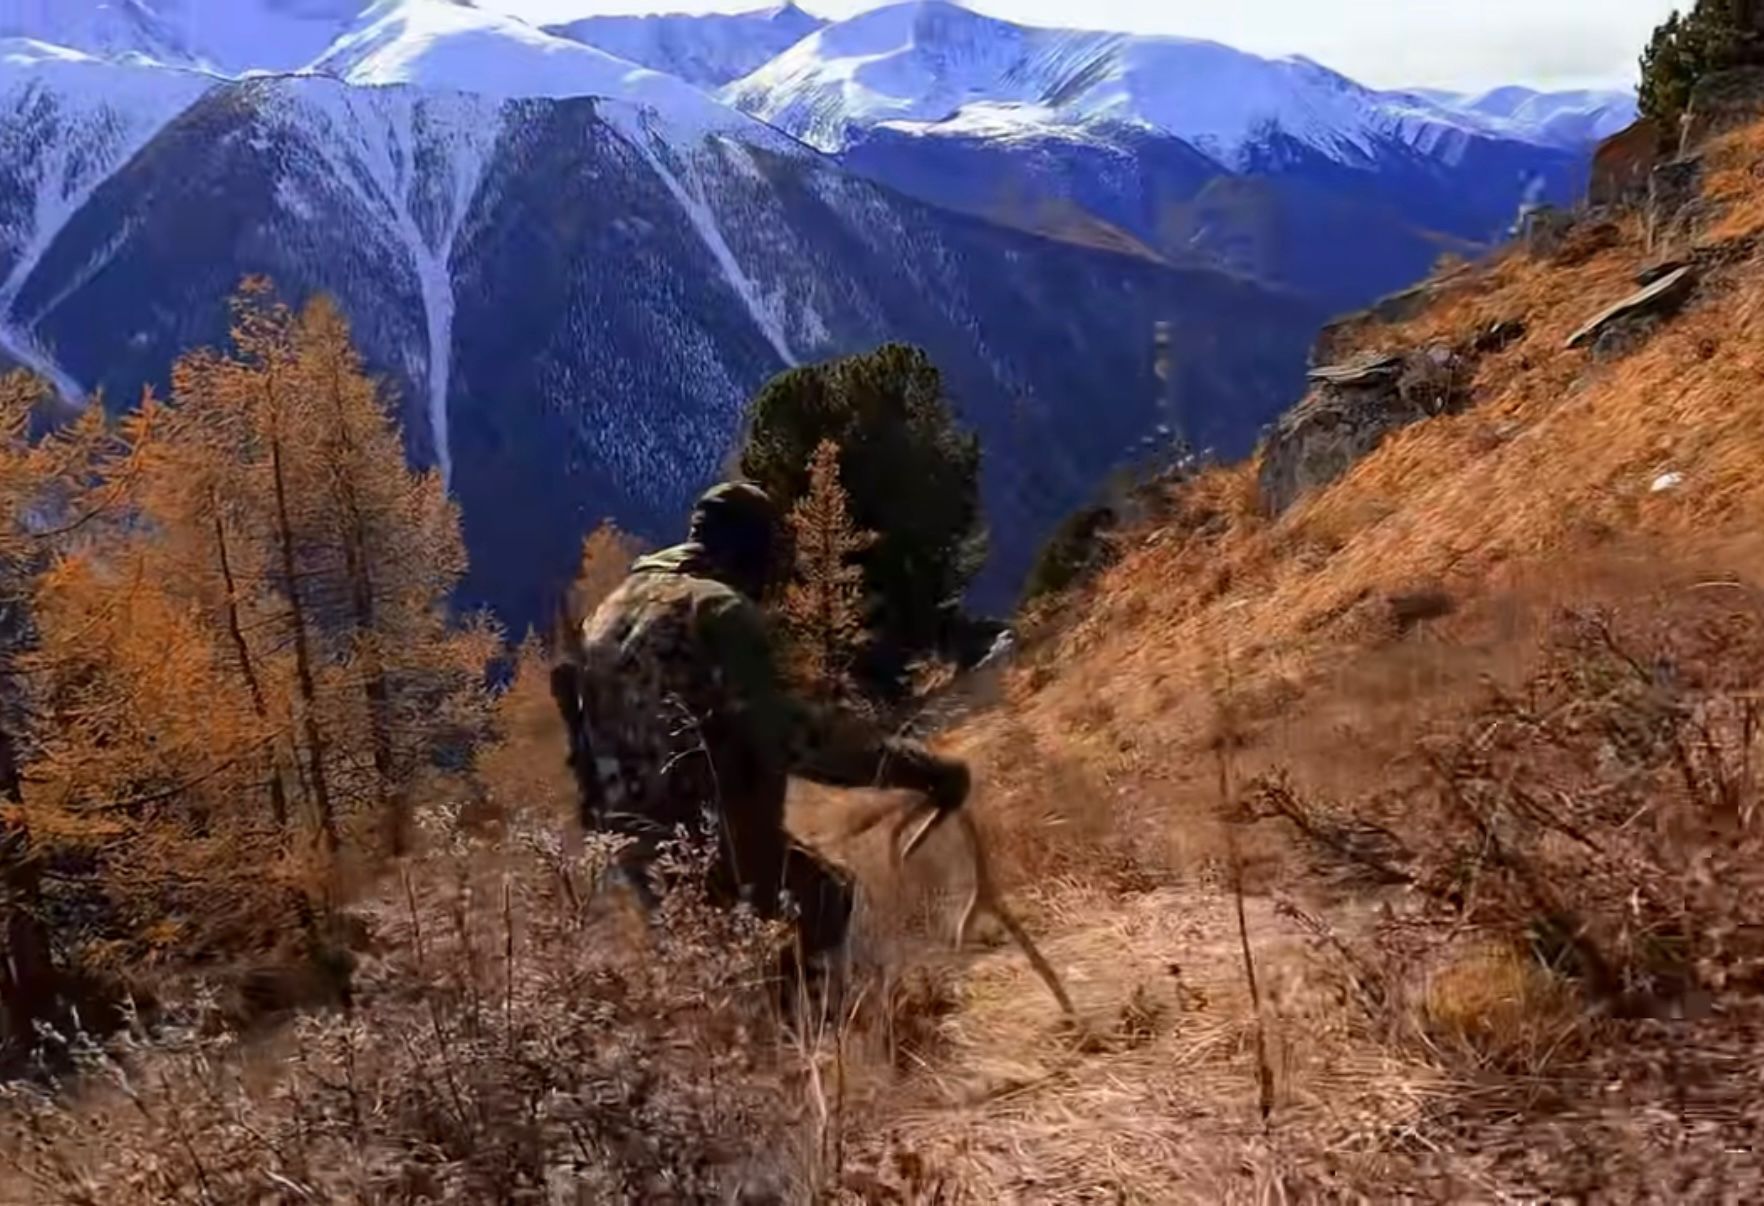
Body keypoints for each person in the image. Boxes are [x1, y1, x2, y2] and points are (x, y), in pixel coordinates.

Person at [551, 481, 970, 974]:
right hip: (702, 837)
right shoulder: (719, 609)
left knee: (703, 966)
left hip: (624, 842)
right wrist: (918, 769)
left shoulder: (612, 608)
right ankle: (828, 1019)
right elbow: (791, 739)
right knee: (824, 905)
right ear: (750, 552)